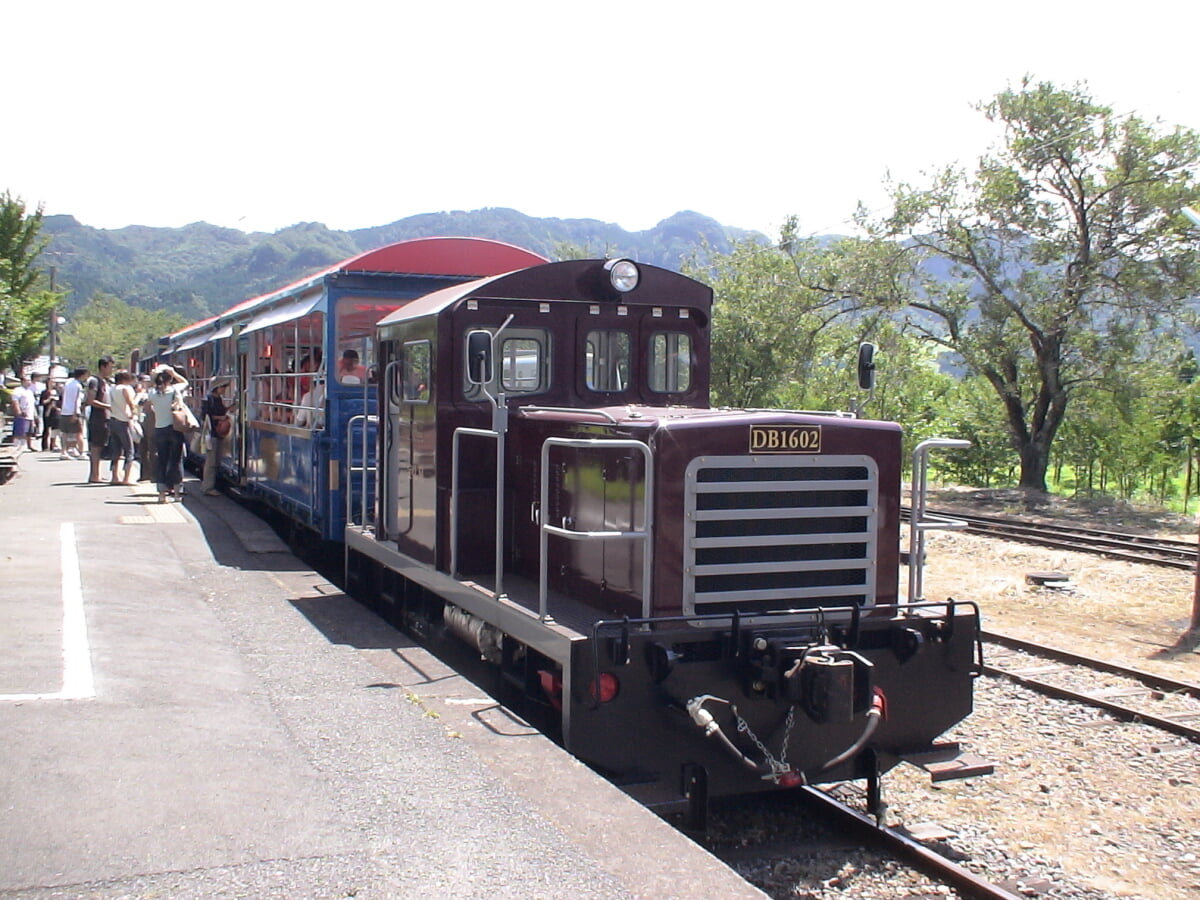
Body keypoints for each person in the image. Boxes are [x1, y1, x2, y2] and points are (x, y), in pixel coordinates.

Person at [146, 365, 189, 503]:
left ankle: (161, 495)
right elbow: (185, 382)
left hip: (160, 429)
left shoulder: (152, 393)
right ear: (170, 379)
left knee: (162, 461)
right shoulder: (174, 390)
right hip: (175, 429)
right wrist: (174, 373)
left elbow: (148, 406)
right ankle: (177, 493)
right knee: (176, 461)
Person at [200, 376, 235, 496]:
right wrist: (221, 418)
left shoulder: (218, 399)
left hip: (219, 434)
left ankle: (213, 485)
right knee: (211, 461)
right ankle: (207, 487)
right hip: (211, 434)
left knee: (216, 461)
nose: (225, 389)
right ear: (217, 387)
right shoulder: (208, 399)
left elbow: (221, 411)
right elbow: (205, 416)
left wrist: (230, 409)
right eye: (223, 387)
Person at [85, 356, 115, 484]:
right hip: (98, 418)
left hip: (106, 417)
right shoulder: (95, 381)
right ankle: (94, 475)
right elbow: (91, 400)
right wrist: (108, 406)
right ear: (103, 366)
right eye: (110, 367)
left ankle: (97, 473)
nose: (111, 370)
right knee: (96, 447)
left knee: (101, 445)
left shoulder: (106, 382)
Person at [106, 370, 138, 485]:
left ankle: (114, 477)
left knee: (116, 450)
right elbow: (131, 404)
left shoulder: (112, 388)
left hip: (113, 420)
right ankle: (127, 478)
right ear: (126, 379)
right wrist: (134, 414)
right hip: (124, 421)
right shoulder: (126, 389)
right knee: (129, 450)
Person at [59, 367, 88, 459]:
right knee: (79, 432)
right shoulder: (78, 385)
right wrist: (76, 413)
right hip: (73, 411)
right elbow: (77, 400)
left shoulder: (68, 383)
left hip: (65, 410)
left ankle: (64, 451)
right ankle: (82, 452)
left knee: (65, 432)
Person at [9, 376, 38, 451]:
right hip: (22, 414)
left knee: (29, 432)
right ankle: (16, 447)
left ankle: (27, 446)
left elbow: (32, 404)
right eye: (27, 380)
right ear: (22, 381)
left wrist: (35, 415)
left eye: (29, 380)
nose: (29, 382)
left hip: (30, 415)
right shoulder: (18, 390)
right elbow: (15, 401)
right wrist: (19, 412)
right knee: (20, 432)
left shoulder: (30, 391)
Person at [39, 380, 61, 452]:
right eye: (51, 383)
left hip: (55, 412)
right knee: (46, 430)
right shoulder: (44, 392)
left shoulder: (56, 392)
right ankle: (44, 446)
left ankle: (53, 445)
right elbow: (42, 402)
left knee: (55, 429)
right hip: (47, 412)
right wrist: (49, 399)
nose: (53, 384)